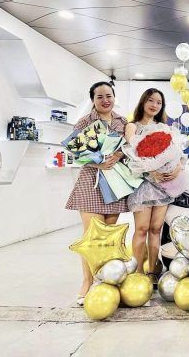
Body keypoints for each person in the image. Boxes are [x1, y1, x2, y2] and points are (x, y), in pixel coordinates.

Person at [66, 81, 128, 306]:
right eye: (100, 96)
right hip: (90, 182)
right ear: (93, 99)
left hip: (114, 184)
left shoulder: (122, 122)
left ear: (114, 97)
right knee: (92, 238)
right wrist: (98, 163)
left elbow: (128, 148)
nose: (105, 100)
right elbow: (75, 152)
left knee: (108, 238)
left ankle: (106, 280)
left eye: (108, 95)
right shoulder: (85, 122)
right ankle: (87, 281)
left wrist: (118, 155)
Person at [124, 88, 183, 286]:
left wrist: (178, 168)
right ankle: (138, 272)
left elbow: (178, 153)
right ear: (143, 102)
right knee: (141, 228)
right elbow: (132, 155)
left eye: (159, 102)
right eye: (151, 100)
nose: (154, 105)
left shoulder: (165, 128)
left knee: (156, 229)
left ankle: (152, 271)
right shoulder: (132, 126)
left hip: (163, 186)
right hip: (142, 184)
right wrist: (151, 171)